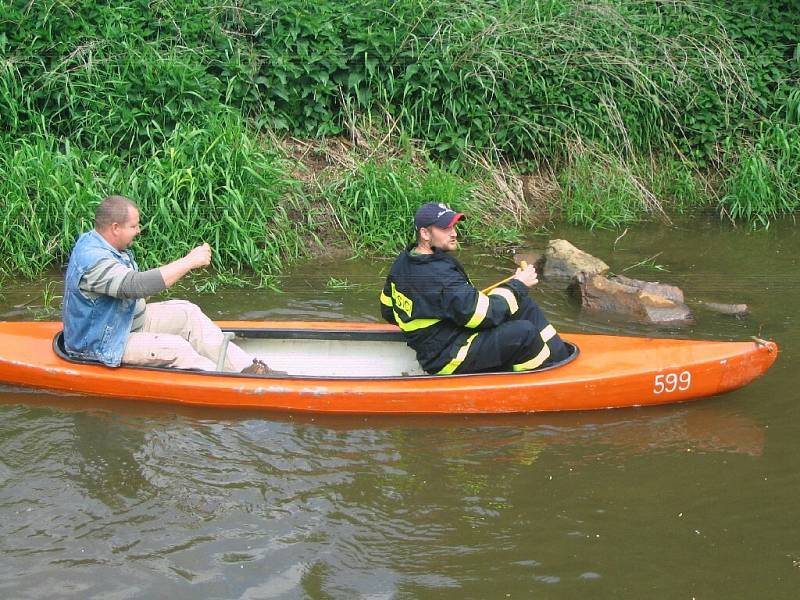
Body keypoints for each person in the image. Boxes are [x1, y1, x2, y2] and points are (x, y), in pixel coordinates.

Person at [62, 195, 273, 374]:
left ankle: (248, 370)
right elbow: (134, 286)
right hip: (101, 343)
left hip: (124, 322)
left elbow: (136, 290)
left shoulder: (105, 243)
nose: (139, 230)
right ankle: (223, 383)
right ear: (115, 228)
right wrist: (189, 262)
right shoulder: (93, 260)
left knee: (187, 313)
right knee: (176, 347)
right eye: (134, 226)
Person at [380, 202, 569, 375]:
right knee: (524, 333)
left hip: (442, 343)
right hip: (449, 357)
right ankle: (540, 379)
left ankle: (559, 358)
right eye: (445, 228)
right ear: (425, 233)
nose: (453, 233)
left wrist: (436, 318)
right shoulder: (440, 276)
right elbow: (485, 315)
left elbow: (388, 310)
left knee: (523, 305)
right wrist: (518, 285)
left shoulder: (403, 262)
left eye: (453, 226)